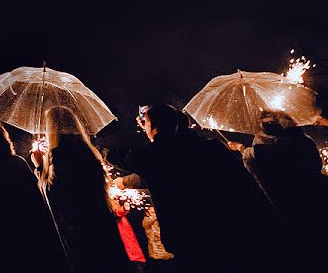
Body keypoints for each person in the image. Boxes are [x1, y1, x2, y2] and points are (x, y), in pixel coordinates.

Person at [111, 104, 279, 273]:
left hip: (190, 241)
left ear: (154, 126)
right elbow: (246, 187)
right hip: (232, 232)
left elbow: (124, 157)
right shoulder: (212, 147)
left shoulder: (153, 155)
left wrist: (102, 153)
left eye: (147, 122)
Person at [33, 106, 130, 273]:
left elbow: (53, 195)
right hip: (101, 223)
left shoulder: (59, 155)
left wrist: (40, 167)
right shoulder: (89, 151)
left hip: (79, 230)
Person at [0, 120, 66, 273]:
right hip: (27, 232)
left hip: (0, 236)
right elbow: (37, 198)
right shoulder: (18, 163)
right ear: (4, 139)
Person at [230, 110, 324, 267]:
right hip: (316, 207)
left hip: (282, 214)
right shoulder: (306, 144)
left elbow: (255, 172)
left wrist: (241, 149)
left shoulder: (256, 154)